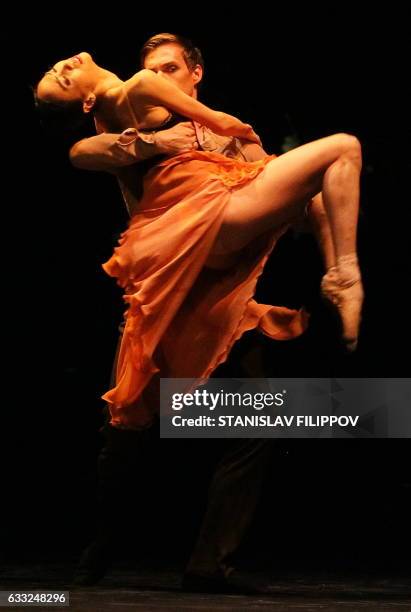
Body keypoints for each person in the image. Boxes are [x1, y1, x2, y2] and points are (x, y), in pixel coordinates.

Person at [35, 34, 364, 591]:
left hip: (223, 288)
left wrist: (316, 224)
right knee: (130, 426)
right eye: (151, 70)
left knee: (256, 418)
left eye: (168, 69)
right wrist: (147, 146)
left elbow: (296, 190)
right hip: (178, 266)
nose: (156, 77)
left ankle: (209, 562)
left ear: (194, 73)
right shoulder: (131, 116)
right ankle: (104, 539)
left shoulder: (214, 137)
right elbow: (125, 189)